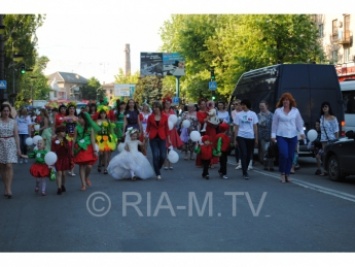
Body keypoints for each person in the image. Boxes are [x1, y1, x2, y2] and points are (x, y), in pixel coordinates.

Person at [271, 92, 305, 183]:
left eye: (287, 100)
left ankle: (287, 174)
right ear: (282, 101)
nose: (285, 101)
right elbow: (274, 124)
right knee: (284, 154)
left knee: (290, 156)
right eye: (284, 100)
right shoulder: (278, 111)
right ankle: (282, 173)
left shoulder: (295, 111)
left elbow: (299, 123)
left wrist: (301, 132)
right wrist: (273, 135)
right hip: (281, 135)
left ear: (290, 101)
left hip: (293, 135)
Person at [0, 103, 23, 199]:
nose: (6, 112)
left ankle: (9, 189)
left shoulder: (13, 122)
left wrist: (18, 148)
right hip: (1, 143)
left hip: (10, 143)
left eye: (7, 111)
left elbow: (16, 135)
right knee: (2, 167)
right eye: (4, 111)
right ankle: (5, 187)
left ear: (9, 112)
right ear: (1, 112)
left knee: (9, 166)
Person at [72, 112, 99, 191]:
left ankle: (86, 177)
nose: (80, 120)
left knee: (89, 166)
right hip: (79, 147)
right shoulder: (77, 128)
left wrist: (94, 150)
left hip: (88, 148)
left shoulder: (90, 128)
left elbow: (93, 140)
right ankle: (83, 184)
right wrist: (72, 149)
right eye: (79, 118)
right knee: (81, 166)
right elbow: (74, 139)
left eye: (81, 118)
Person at [146, 101, 172, 180]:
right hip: (153, 138)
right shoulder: (150, 117)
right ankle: (158, 173)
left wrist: (169, 139)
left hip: (162, 137)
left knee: (163, 156)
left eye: (156, 107)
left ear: (160, 108)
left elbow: (167, 129)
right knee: (156, 155)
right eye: (154, 107)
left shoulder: (164, 117)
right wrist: (145, 135)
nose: (155, 109)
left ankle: (158, 166)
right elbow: (148, 127)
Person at [234, 99, 258, 179]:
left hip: (250, 136)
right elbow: (236, 127)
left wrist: (256, 138)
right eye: (241, 105)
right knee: (243, 153)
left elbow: (255, 127)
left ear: (247, 105)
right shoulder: (238, 115)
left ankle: (246, 168)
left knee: (248, 155)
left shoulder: (253, 114)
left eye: (243, 105)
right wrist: (235, 139)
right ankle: (244, 172)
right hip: (241, 136)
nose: (242, 106)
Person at [319, 101, 339, 176]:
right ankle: (325, 170)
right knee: (324, 154)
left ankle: (332, 169)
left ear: (329, 108)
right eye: (323, 107)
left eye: (326, 107)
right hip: (324, 139)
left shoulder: (333, 118)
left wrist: (336, 140)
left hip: (332, 139)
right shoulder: (321, 118)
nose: (325, 108)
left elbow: (336, 130)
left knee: (331, 154)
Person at [162, 97, 183, 170]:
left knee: (171, 147)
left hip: (171, 131)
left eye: (169, 103)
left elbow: (175, 121)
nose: (167, 105)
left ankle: (170, 162)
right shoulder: (162, 112)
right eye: (166, 103)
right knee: (164, 147)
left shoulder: (172, 111)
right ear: (164, 104)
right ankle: (165, 163)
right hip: (164, 131)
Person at [96, 105, 117, 174]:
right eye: (101, 113)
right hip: (99, 138)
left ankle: (105, 168)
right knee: (101, 153)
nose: (103, 115)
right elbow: (95, 130)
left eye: (104, 113)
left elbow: (111, 130)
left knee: (106, 153)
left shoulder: (108, 121)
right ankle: (99, 163)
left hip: (107, 138)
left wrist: (113, 137)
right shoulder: (97, 121)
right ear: (100, 114)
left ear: (106, 114)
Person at [51, 125, 72, 195]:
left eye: (64, 132)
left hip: (65, 158)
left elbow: (68, 150)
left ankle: (63, 184)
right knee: (59, 173)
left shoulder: (66, 140)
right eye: (62, 132)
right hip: (57, 158)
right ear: (58, 133)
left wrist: (70, 159)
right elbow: (53, 150)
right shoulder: (54, 141)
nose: (64, 133)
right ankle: (59, 188)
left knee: (64, 174)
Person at [257, 100, 274, 171]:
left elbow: (274, 125)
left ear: (267, 106)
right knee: (265, 150)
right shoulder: (258, 115)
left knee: (271, 150)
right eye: (260, 106)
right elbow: (257, 125)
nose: (261, 107)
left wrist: (273, 135)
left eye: (263, 106)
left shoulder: (271, 115)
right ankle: (266, 165)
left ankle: (271, 165)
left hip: (270, 135)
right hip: (262, 135)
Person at [231, 99, 242, 170]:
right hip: (236, 130)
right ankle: (238, 160)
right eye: (235, 104)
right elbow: (235, 121)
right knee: (237, 145)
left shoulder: (243, 112)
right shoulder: (233, 112)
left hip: (242, 130)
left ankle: (242, 160)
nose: (237, 106)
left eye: (238, 104)